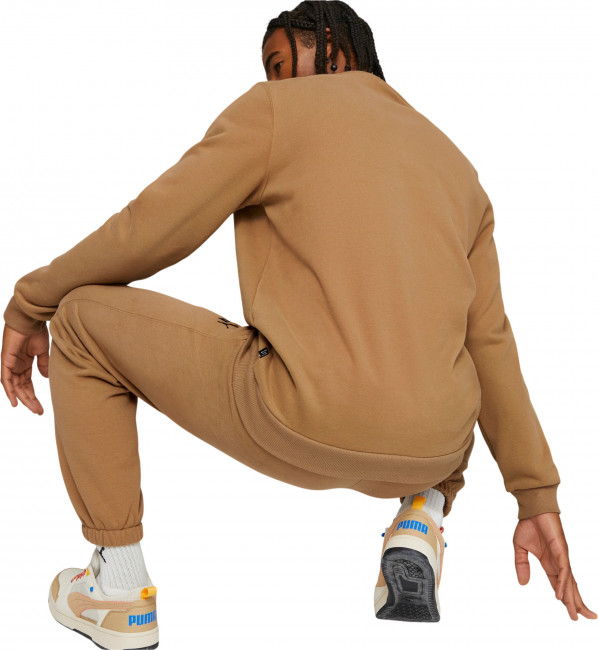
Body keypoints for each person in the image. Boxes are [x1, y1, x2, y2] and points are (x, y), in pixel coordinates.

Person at [1, 0, 595, 645]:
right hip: (434, 453)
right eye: (268, 71)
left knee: (81, 319)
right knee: (439, 368)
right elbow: (490, 342)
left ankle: (117, 588)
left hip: (297, 417)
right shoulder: (457, 167)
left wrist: (31, 301)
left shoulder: (275, 112)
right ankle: (423, 516)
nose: (275, 80)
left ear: (336, 47)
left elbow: (151, 230)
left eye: (282, 63)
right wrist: (536, 496)